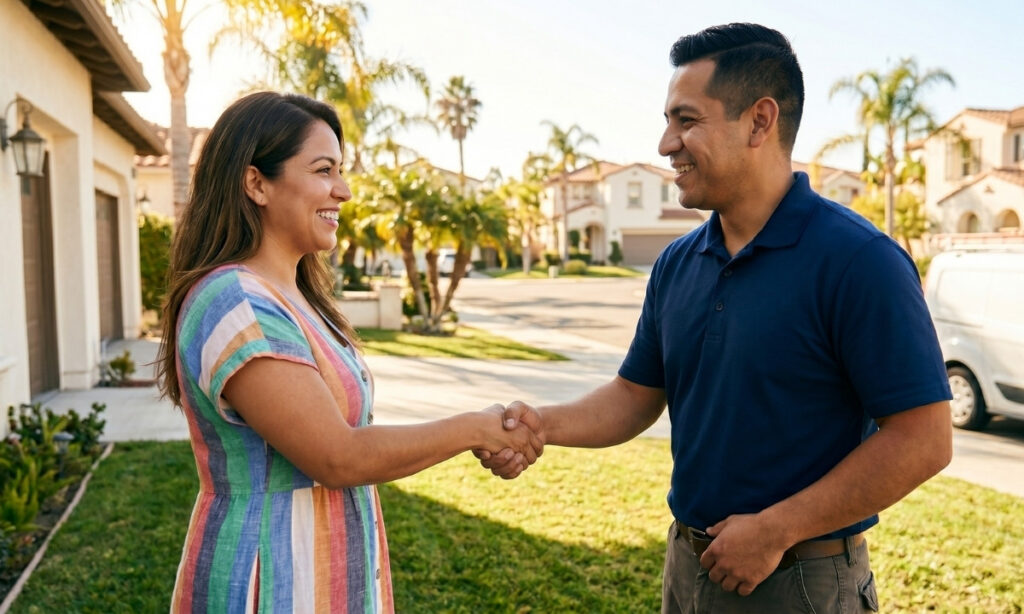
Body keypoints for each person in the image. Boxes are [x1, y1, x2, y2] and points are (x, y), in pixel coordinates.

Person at [478, 22, 953, 613]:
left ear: (759, 121)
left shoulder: (859, 260)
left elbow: (923, 439)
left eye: (687, 120)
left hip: (799, 580)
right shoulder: (678, 262)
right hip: (688, 565)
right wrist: (541, 424)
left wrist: (776, 529)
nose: (664, 144)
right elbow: (635, 395)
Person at [156, 91, 542, 613]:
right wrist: (477, 428)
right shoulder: (235, 301)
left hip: (325, 577)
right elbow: (337, 457)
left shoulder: (293, 297)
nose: (343, 189)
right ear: (256, 183)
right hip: (269, 585)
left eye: (341, 170)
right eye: (323, 170)